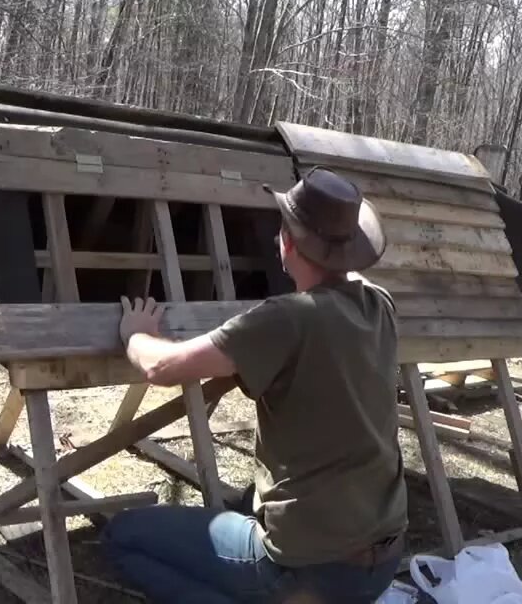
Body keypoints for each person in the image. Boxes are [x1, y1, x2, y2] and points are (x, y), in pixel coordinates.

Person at [100, 167, 407, 603]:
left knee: (122, 535)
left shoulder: (285, 318)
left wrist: (136, 332)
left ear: (285, 242)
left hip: (311, 568)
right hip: (382, 558)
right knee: (249, 499)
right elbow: (349, 281)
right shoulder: (381, 305)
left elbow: (161, 368)